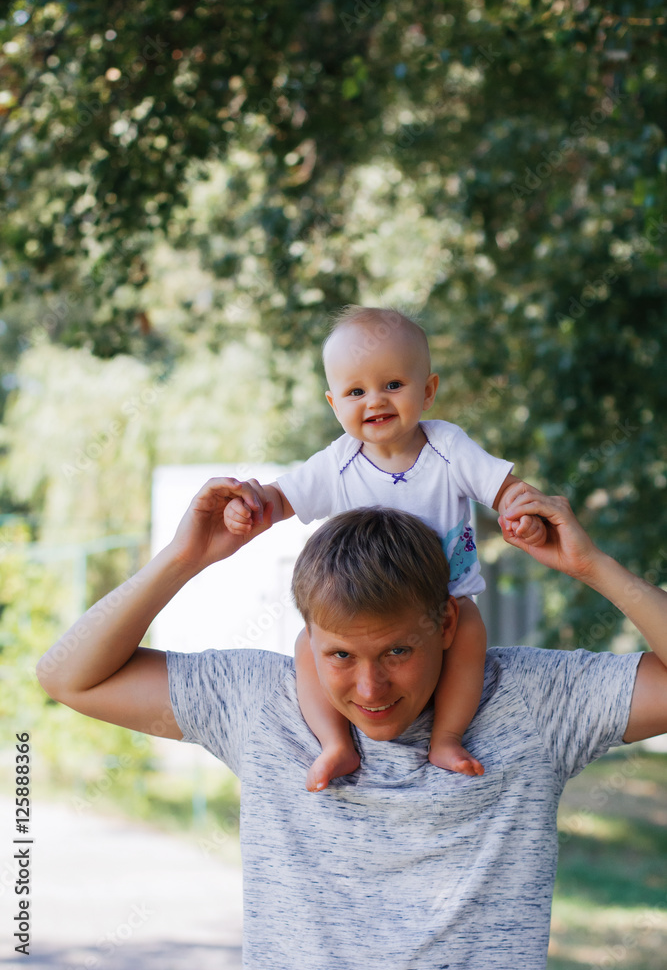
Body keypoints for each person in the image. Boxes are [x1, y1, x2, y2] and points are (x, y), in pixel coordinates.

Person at [36, 482, 667, 970]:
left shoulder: (531, 703)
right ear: (308, 639)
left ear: (446, 626)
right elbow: (69, 676)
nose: (370, 690)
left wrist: (593, 568)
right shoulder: (261, 703)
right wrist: (181, 559)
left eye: (397, 651)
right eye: (340, 656)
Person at [221, 305, 547, 789]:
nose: (375, 400)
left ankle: (447, 737)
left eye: (392, 385)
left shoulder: (447, 448)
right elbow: (281, 498)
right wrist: (249, 505)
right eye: (356, 391)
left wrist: (525, 516)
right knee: (306, 646)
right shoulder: (339, 461)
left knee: (471, 631)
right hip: (359, 608)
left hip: (442, 599)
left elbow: (504, 490)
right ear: (334, 404)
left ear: (428, 391)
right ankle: (335, 745)